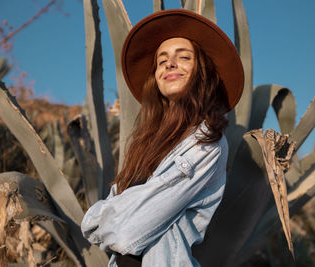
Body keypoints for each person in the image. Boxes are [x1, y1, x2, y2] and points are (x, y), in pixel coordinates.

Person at [81, 9, 244, 267]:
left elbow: (125, 232)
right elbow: (99, 223)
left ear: (202, 71)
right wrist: (114, 216)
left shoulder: (206, 143)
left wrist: (101, 218)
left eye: (184, 57)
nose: (169, 64)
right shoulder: (146, 145)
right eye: (161, 60)